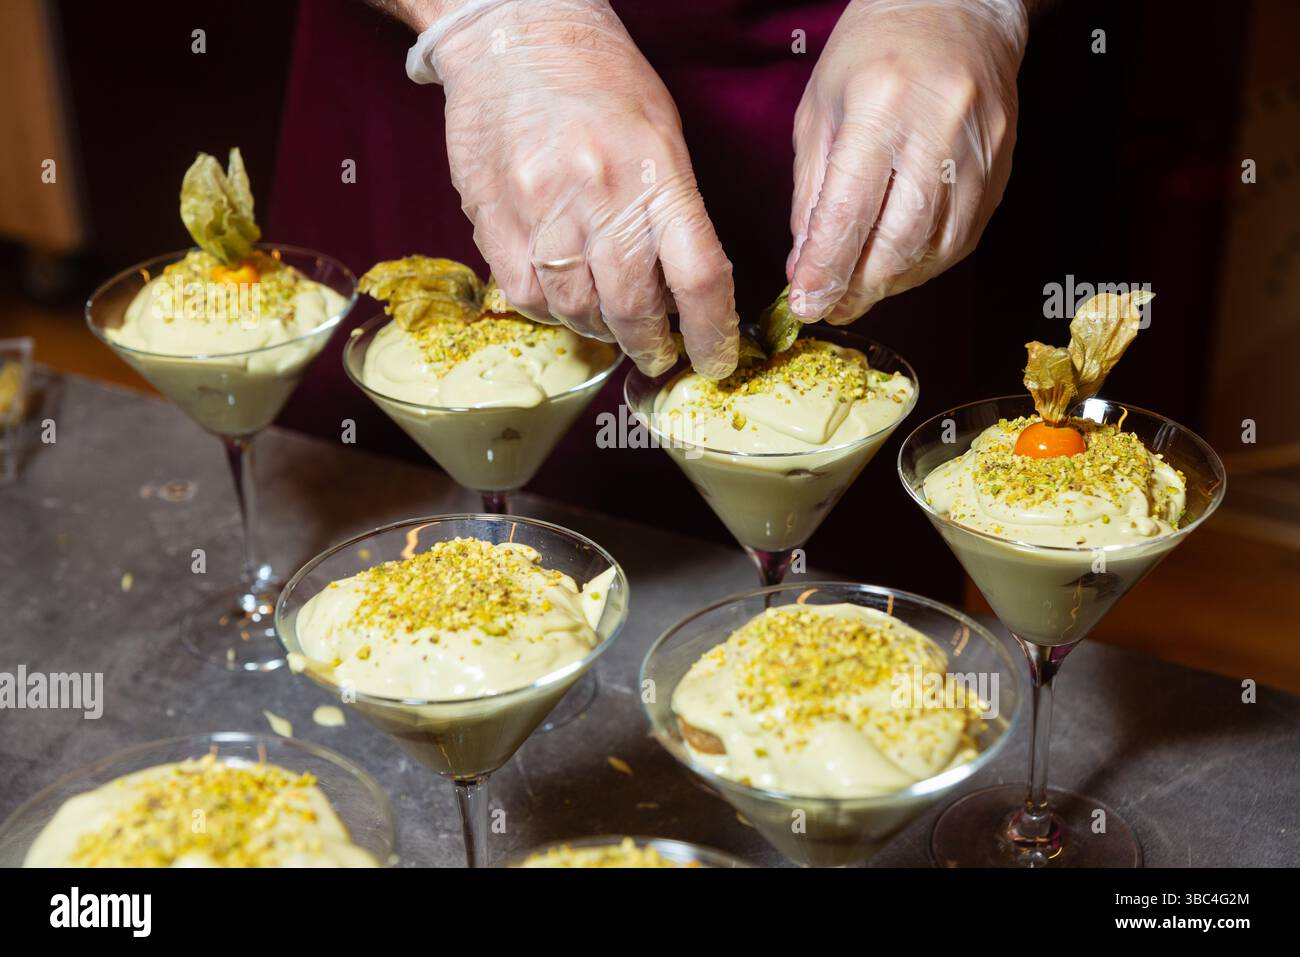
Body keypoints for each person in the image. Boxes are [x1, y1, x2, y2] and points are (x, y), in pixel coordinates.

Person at [269, 0, 1027, 583]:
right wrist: (494, 26)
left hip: (867, 98)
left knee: (856, 631)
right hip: (455, 91)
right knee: (416, 562)